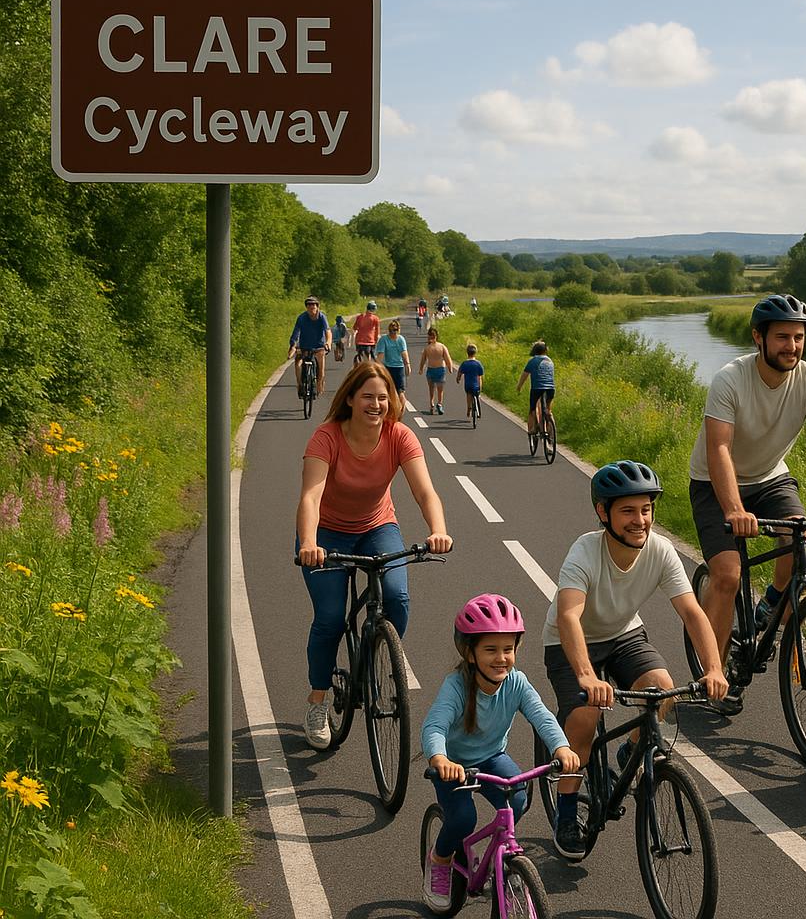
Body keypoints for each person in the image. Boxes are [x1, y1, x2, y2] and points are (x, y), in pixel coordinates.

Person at [688, 293, 806, 715]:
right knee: (728, 575)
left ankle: (771, 602)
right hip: (716, 482)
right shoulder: (730, 379)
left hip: (771, 477)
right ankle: (712, 675)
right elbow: (719, 448)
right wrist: (734, 508)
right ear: (759, 338)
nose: (792, 346)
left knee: (800, 539)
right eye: (782, 337)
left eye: (798, 337)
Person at [543, 461, 729, 859]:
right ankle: (566, 810)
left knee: (663, 690)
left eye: (645, 509)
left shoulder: (660, 551)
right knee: (585, 718)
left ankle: (630, 750)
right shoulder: (585, 552)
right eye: (628, 511)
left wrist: (714, 667)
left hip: (625, 633)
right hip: (570, 642)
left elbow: (693, 613)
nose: (640, 520)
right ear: (603, 513)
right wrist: (587, 677)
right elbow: (568, 616)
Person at [295, 361, 453, 750]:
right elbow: (311, 496)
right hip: (327, 533)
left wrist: (438, 531)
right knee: (331, 617)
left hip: (377, 526)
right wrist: (308, 542)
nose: (376, 404)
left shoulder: (400, 436)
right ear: (349, 398)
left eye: (383, 397)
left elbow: (424, 492)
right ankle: (318, 700)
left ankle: (375, 656)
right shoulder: (326, 437)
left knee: (396, 597)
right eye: (368, 396)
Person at [421, 595, 580, 912]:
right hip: (455, 767)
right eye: (490, 650)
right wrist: (440, 760)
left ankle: (504, 861)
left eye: (508, 649)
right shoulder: (456, 686)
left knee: (518, 798)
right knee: (463, 819)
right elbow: (434, 726)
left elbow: (543, 717)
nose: (501, 658)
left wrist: (561, 747)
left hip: (491, 758)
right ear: (470, 653)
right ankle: (440, 859)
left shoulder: (517, 683)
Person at [288, 295, 331, 398]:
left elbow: (327, 331)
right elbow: (296, 332)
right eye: (309, 307)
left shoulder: (322, 317)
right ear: (306, 308)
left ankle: (319, 384)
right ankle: (300, 385)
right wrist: (293, 345)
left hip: (319, 346)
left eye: (313, 307)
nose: (311, 309)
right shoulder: (302, 318)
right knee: (298, 363)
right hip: (304, 346)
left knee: (321, 369)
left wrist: (328, 342)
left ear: (317, 307)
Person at [515, 340, 554, 435]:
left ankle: (535, 427)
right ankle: (550, 429)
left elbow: (525, 375)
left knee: (534, 408)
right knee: (548, 409)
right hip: (550, 388)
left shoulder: (532, 361)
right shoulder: (550, 360)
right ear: (545, 350)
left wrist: (519, 387)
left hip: (537, 388)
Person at [376, 319, 412, 414]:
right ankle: (389, 412)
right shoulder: (384, 339)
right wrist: (376, 367)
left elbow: (404, 353)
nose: (393, 333)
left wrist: (407, 364)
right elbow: (381, 355)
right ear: (389, 330)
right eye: (392, 330)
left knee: (400, 392)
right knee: (388, 391)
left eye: (395, 330)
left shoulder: (400, 339)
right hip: (388, 368)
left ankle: (400, 413)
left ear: (398, 330)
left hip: (399, 368)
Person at [418, 327, 454, 415]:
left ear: (429, 337)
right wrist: (450, 368)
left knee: (431, 388)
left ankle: (431, 403)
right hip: (440, 369)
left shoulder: (427, 348)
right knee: (440, 389)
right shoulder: (442, 347)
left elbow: (423, 360)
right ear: (436, 336)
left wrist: (421, 369)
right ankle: (439, 403)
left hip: (430, 369)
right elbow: (447, 358)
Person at [456, 344, 484, 419]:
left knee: (468, 394)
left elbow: (460, 372)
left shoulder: (465, 363)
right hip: (476, 386)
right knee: (479, 381)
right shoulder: (478, 363)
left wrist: (458, 378)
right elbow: (481, 375)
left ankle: (469, 408)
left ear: (467, 352)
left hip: (468, 385)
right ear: (475, 353)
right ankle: (478, 397)